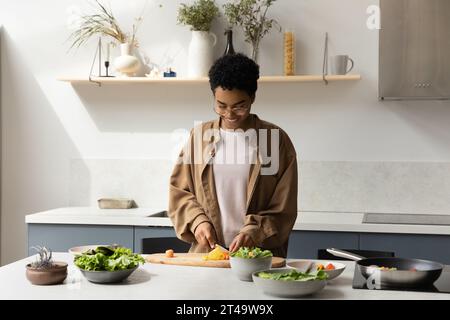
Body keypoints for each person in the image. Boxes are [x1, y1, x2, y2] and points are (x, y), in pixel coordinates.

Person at [168, 53, 298, 258]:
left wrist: (255, 231)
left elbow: (284, 209)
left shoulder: (275, 141)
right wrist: (198, 221)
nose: (229, 115)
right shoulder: (199, 137)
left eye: (239, 106)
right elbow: (180, 193)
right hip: (208, 256)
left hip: (259, 259)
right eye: (221, 105)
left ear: (253, 97)